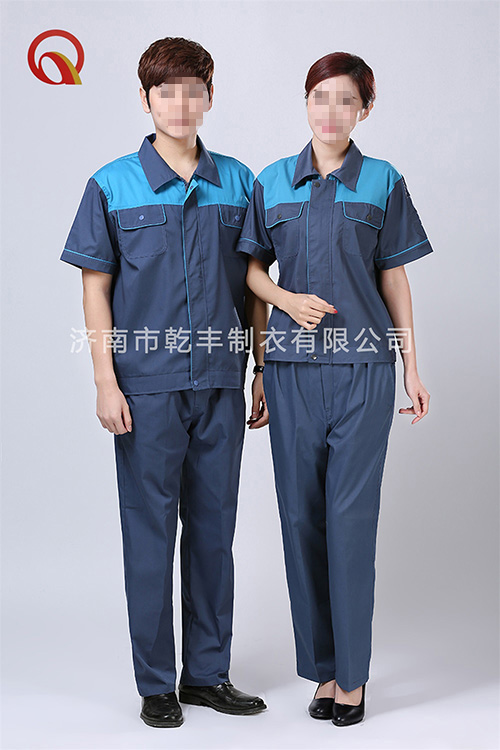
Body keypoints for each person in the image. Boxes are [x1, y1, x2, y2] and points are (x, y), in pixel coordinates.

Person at [60, 36, 268, 728]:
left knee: (214, 531)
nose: (179, 104)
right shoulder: (111, 184)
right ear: (146, 99)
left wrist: (262, 368)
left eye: (192, 90)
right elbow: (96, 289)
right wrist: (105, 381)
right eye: (165, 91)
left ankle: (206, 674)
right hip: (145, 385)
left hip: (220, 380)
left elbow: (254, 286)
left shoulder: (239, 182)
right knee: (149, 532)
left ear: (210, 96)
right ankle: (156, 683)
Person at [235, 51, 433, 727]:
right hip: (291, 372)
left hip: (364, 373)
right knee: (300, 520)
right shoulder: (271, 181)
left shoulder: (383, 181)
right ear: (306, 103)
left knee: (350, 521)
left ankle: (352, 679)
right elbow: (251, 272)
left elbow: (395, 277)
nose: (331, 112)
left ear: (365, 110)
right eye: (320, 97)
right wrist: (282, 314)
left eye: (346, 100)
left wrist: (411, 366)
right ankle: (321, 669)